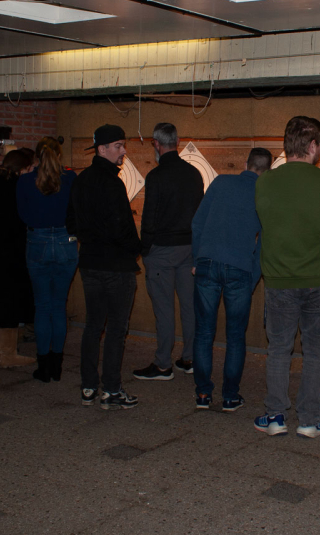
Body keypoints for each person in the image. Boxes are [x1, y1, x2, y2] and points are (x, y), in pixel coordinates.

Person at [254, 116, 320, 438]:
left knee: (279, 348)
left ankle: (275, 416)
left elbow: (264, 219)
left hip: (279, 280)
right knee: (316, 350)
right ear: (313, 146)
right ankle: (309, 419)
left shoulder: (264, 182)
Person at [191, 148, 273, 411]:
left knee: (204, 332)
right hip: (240, 269)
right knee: (236, 336)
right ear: (267, 170)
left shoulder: (221, 182)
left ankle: (203, 394)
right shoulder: (263, 194)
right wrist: (253, 276)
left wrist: (196, 260)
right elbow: (264, 242)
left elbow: (197, 223)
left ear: (246, 163)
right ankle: (230, 396)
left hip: (207, 264)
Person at [67, 124, 141, 410]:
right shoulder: (111, 183)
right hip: (116, 267)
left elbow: (70, 221)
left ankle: (88, 387)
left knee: (93, 326)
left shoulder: (81, 180)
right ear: (102, 149)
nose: (123, 151)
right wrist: (135, 249)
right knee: (116, 330)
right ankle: (111, 389)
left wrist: (88, 241)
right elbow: (121, 226)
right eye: (119, 146)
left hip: (89, 264)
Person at [133, 122, 204, 382]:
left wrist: (144, 249)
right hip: (189, 249)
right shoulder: (194, 173)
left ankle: (163, 364)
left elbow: (149, 218)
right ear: (178, 141)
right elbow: (199, 214)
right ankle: (189, 358)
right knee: (189, 307)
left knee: (164, 310)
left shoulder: (156, 176)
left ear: (156, 144)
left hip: (162, 250)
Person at [16, 137, 79, 383]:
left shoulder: (24, 181)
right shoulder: (71, 178)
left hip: (38, 243)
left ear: (36, 156)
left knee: (42, 306)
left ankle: (44, 368)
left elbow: (23, 214)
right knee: (58, 305)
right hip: (66, 242)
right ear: (59, 155)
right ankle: (58, 366)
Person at [0, 149, 36, 368]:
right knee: (10, 301)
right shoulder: (18, 190)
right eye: (30, 168)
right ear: (22, 169)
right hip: (11, 252)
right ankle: (8, 355)